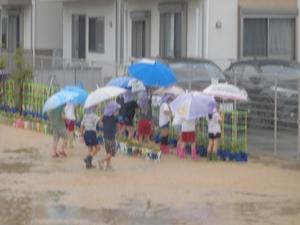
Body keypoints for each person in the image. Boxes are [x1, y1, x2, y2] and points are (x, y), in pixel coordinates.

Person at [100, 101, 120, 170]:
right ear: (113, 110)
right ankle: (102, 160)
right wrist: (118, 131)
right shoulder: (114, 118)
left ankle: (108, 166)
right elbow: (118, 126)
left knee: (108, 152)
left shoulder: (104, 116)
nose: (117, 111)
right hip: (111, 136)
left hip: (105, 136)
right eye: (116, 109)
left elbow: (100, 122)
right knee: (112, 152)